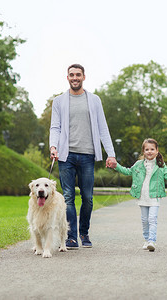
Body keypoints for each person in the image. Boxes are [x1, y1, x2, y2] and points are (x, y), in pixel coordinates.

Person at [49, 63, 117, 249]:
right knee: (69, 197)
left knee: (87, 197)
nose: (75, 78)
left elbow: (103, 127)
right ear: (67, 77)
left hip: (87, 155)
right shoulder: (59, 101)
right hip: (66, 156)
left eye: (78, 75)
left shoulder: (94, 100)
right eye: (71, 75)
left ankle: (84, 232)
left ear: (84, 77)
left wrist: (111, 153)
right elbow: (55, 126)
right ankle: (71, 237)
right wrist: (53, 146)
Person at [108, 138, 167, 252]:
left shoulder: (161, 165)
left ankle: (152, 241)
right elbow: (127, 171)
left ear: (157, 151)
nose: (149, 151)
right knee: (144, 220)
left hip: (155, 196)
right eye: (147, 149)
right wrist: (116, 165)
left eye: (152, 149)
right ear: (143, 151)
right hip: (142, 196)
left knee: (152, 218)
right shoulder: (138, 164)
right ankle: (147, 239)